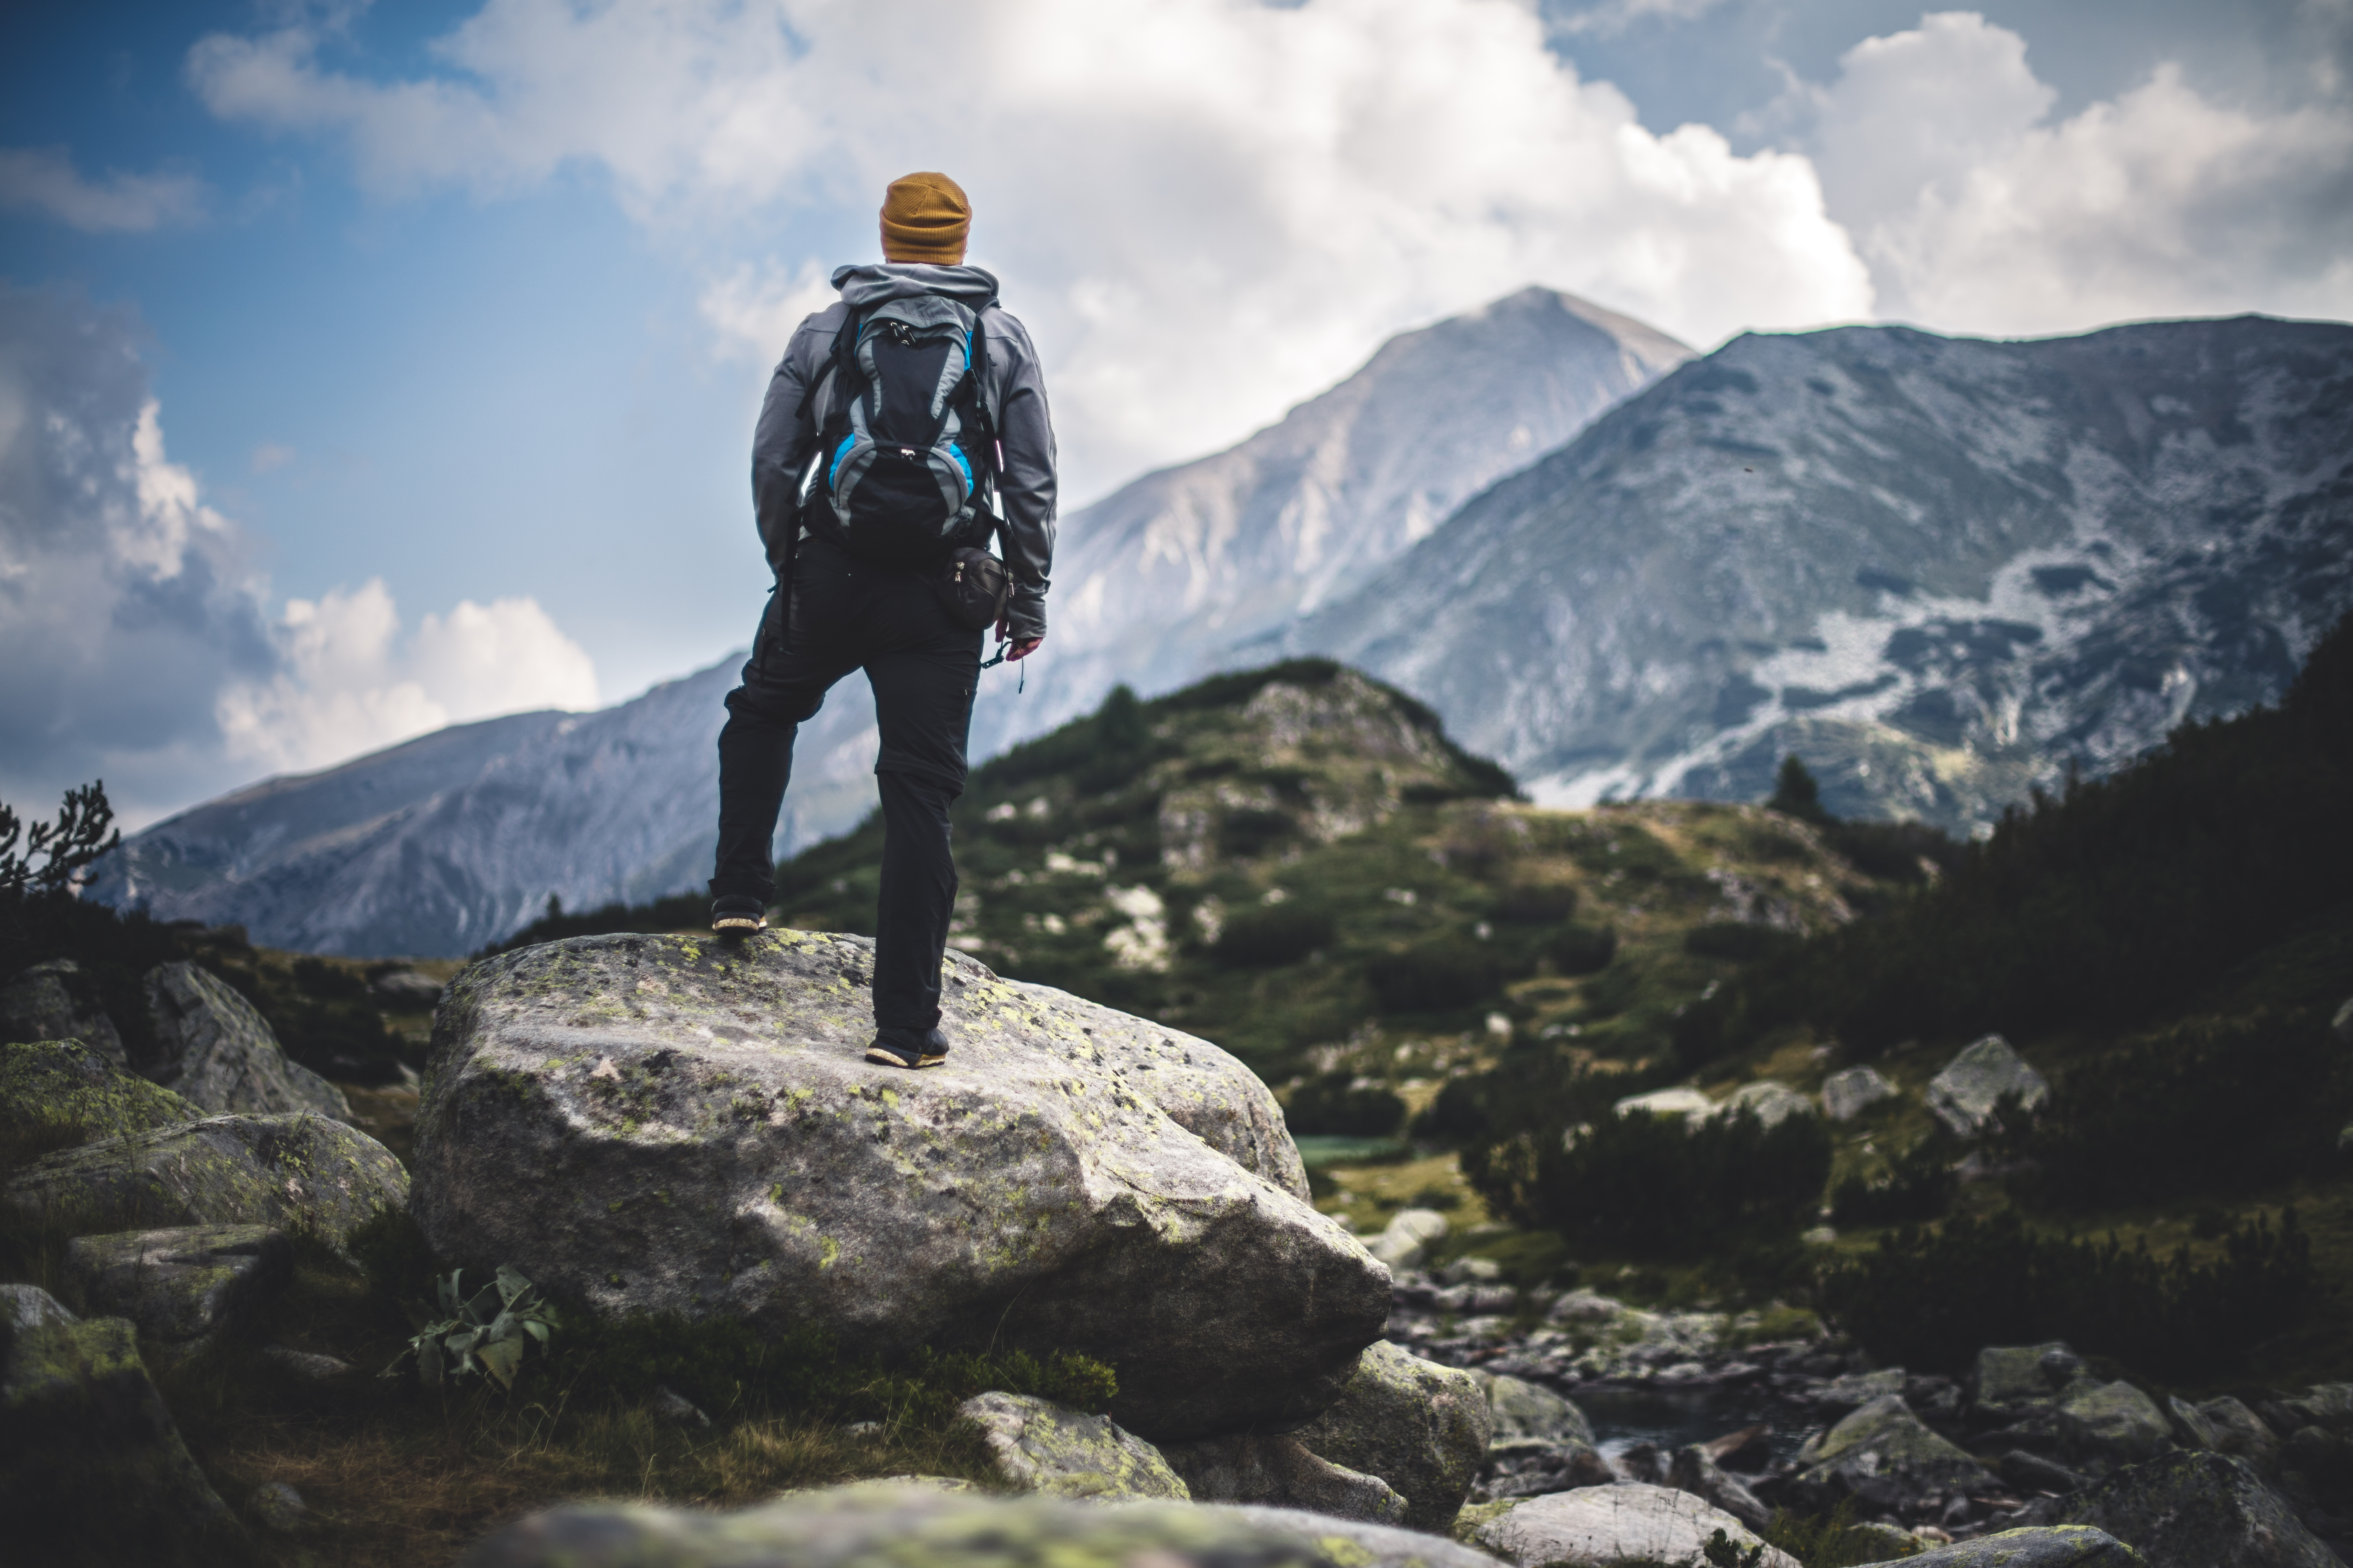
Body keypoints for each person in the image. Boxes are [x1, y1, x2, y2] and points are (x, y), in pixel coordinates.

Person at [708, 171, 1055, 1069]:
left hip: (834, 568)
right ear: (963, 240)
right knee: (919, 798)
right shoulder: (1000, 336)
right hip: (943, 593)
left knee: (761, 712)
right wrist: (1028, 593)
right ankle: (905, 1028)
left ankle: (740, 892)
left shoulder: (831, 327)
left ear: (888, 234)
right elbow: (1032, 478)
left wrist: (792, 560)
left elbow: (773, 456)